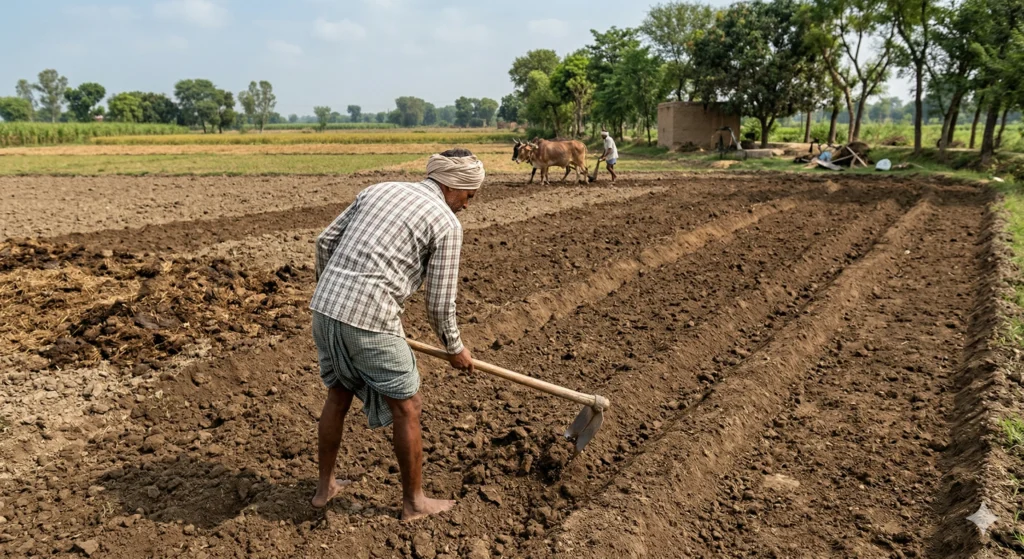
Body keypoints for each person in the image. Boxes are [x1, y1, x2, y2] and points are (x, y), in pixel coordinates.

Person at [308, 148, 484, 521]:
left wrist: (334, 291)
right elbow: (439, 303)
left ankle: (324, 489)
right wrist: (454, 347)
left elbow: (324, 242)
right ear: (452, 186)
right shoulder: (446, 223)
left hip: (323, 309)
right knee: (407, 406)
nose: (468, 205)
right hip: (370, 318)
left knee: (338, 394)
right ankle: (415, 503)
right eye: (469, 196)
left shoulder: (379, 189)